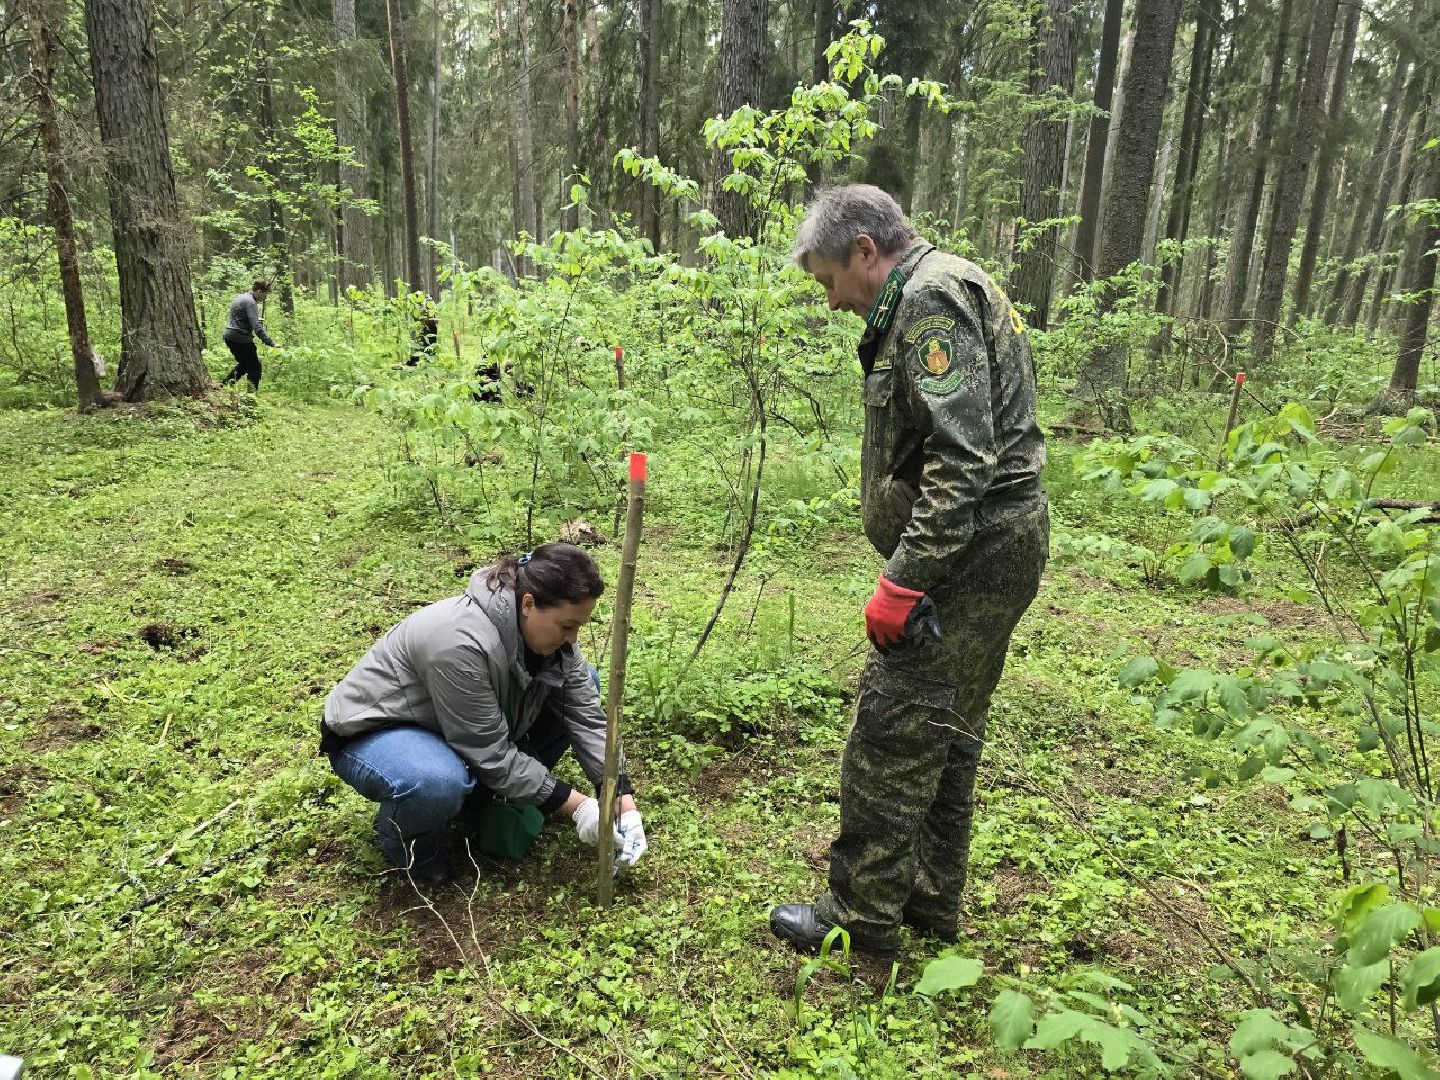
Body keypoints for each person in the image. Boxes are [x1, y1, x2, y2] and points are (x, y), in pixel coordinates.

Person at [769, 185, 1049, 956]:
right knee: (948, 727)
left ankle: (860, 917)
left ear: (866, 251)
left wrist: (905, 580)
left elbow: (963, 462)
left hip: (970, 554)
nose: (831, 302)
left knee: (893, 729)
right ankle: (927, 899)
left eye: (830, 280)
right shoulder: (945, 283)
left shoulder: (928, 300)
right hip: (990, 545)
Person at [320, 542, 648, 884]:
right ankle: (408, 844)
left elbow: (586, 717)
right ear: (528, 603)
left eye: (578, 626)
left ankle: (480, 799)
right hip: (378, 731)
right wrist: (577, 805)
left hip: (450, 726)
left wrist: (622, 798)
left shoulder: (552, 635)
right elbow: (490, 751)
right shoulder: (458, 642)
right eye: (566, 626)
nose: (572, 638)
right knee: (435, 782)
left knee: (586, 680)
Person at [221, 279, 281, 390]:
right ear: (259, 291)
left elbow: (240, 317)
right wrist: (271, 343)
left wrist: (255, 319)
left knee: (245, 364)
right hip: (240, 338)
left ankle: (223, 385)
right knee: (255, 367)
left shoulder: (242, 297)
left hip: (229, 336)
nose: (266, 297)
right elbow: (257, 328)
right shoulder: (251, 302)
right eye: (266, 294)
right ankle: (250, 396)